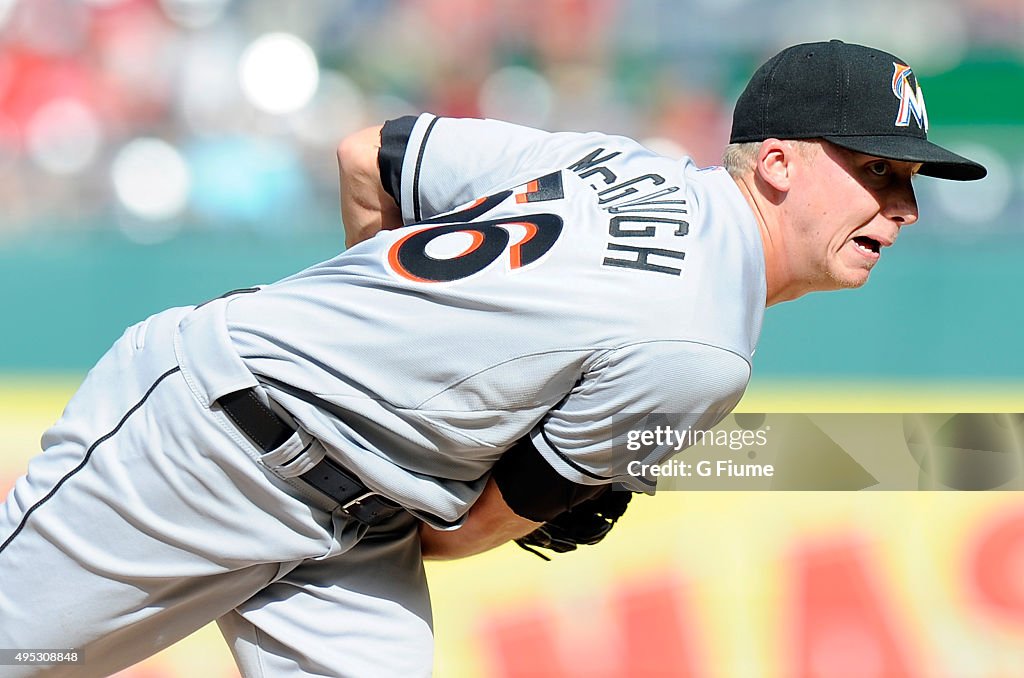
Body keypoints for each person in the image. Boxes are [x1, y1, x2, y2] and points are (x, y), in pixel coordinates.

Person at [0, 40, 985, 677]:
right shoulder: (703, 349)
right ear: (776, 162)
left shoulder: (624, 164)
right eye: (875, 171)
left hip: (351, 512)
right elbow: (466, 535)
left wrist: (374, 340)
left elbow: (369, 155)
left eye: (907, 180)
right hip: (206, 446)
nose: (901, 206)